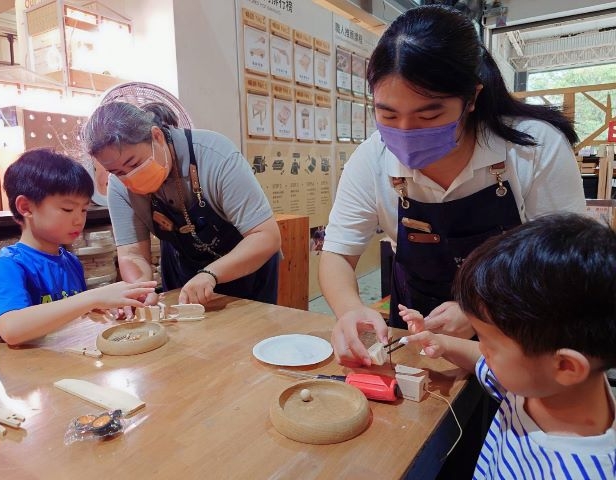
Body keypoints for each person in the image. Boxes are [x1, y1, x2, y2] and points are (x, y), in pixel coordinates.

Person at [321, 4, 586, 367]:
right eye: (387, 114)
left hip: (519, 327)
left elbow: (564, 265)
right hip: (419, 328)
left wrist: (481, 309)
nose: (405, 131)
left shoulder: (533, 148)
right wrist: (350, 310)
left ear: (472, 98)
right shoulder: (371, 159)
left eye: (429, 114)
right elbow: (337, 252)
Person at [400, 213, 616, 479]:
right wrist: (442, 343)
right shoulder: (543, 384)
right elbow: (485, 361)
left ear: (566, 366)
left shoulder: (579, 471)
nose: (482, 348)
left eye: (488, 342)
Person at [81, 100, 281, 308]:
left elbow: (265, 236)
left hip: (246, 267)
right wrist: (139, 291)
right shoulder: (118, 187)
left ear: (157, 136)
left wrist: (211, 274)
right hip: (184, 271)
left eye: (134, 164)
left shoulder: (215, 155)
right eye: (118, 172)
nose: (129, 177)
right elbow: (132, 253)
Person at [0, 149, 156, 345]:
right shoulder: (9, 265)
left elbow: (73, 315)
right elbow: (11, 329)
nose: (79, 220)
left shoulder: (70, 261)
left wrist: (102, 307)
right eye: (67, 209)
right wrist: (93, 298)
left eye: (83, 209)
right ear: (25, 207)